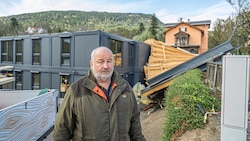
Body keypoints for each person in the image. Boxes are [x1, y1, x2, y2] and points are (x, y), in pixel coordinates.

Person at [53, 46, 146, 141]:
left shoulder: (125, 88)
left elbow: (136, 128)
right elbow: (61, 131)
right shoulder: (76, 91)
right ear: (91, 64)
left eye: (109, 61)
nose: (105, 66)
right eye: (101, 61)